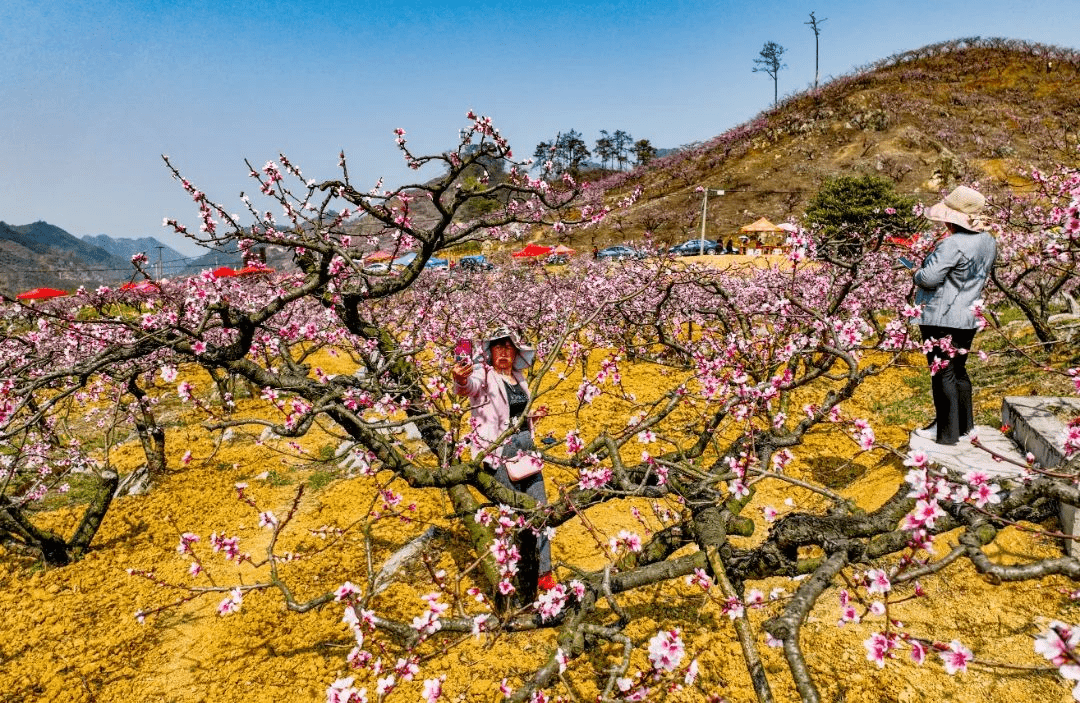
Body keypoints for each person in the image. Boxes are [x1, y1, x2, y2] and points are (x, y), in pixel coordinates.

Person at [451, 327, 555, 591]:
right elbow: (467, 388)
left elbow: (515, 415)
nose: (504, 353)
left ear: (516, 353)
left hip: (526, 449)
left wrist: (532, 417)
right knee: (511, 515)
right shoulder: (484, 376)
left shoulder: (519, 379)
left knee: (539, 511)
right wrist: (459, 379)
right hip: (499, 453)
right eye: (498, 347)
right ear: (490, 352)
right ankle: (513, 576)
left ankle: (544, 573)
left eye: (508, 348)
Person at [911, 185, 997, 445]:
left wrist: (915, 271)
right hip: (968, 316)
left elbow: (928, 279)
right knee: (958, 370)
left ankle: (945, 432)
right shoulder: (988, 241)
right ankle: (964, 427)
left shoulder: (952, 244)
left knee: (942, 372)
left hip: (941, 316)